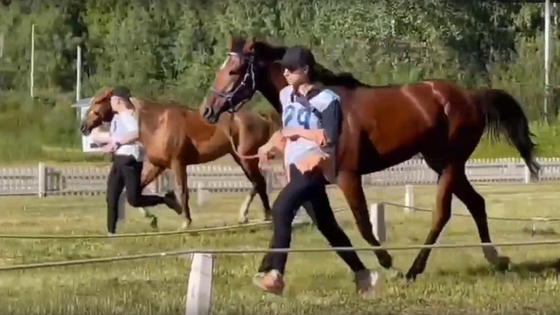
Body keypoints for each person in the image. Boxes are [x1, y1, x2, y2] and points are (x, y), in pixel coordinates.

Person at [253, 47, 379, 296]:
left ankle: (276, 274)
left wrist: (301, 134)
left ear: (306, 70)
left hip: (314, 166)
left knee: (280, 208)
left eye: (291, 69)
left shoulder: (327, 100)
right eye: (284, 69)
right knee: (328, 226)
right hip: (293, 166)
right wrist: (270, 145)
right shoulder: (286, 95)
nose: (286, 73)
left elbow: (330, 139)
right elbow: (287, 129)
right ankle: (363, 274)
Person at [101, 86, 179, 235]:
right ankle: (111, 232)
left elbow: (137, 134)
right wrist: (109, 145)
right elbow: (113, 137)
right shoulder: (116, 118)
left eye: (112, 100)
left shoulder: (131, 117)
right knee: (111, 195)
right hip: (118, 160)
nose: (110, 103)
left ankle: (165, 200)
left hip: (131, 160)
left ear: (119, 101)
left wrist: (119, 142)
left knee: (134, 200)